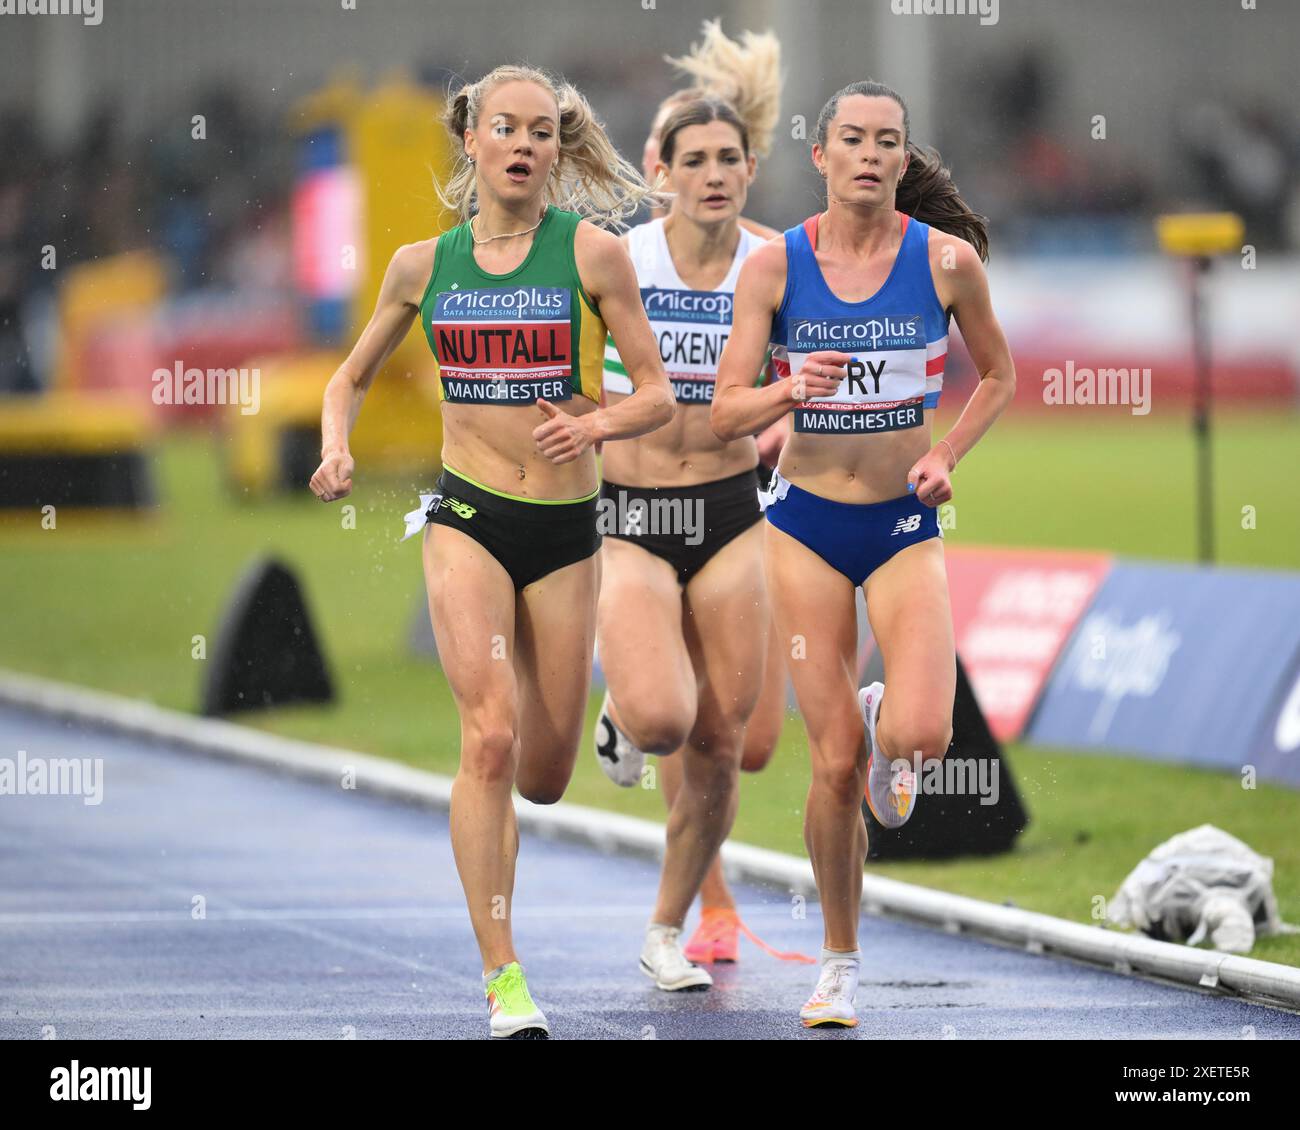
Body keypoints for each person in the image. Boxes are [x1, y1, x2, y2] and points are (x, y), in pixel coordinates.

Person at [310, 65, 675, 1039]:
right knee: (489, 737)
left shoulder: (593, 257)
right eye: (504, 128)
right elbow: (345, 378)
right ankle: (501, 975)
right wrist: (335, 444)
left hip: (563, 533)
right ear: (469, 140)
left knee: (545, 774)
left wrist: (595, 429)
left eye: (542, 130)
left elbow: (654, 392)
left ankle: (606, 723)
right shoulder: (419, 267)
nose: (523, 144)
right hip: (465, 514)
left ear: (557, 148)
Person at [711, 80, 1016, 1028]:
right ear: (822, 155)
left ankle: (889, 716)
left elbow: (1001, 374)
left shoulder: (947, 262)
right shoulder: (773, 269)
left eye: (889, 141)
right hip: (803, 524)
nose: (871, 156)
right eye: (854, 139)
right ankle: (839, 961)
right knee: (835, 763)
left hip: (899, 526)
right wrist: (786, 388)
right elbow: (724, 409)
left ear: (902, 157)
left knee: (921, 738)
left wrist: (946, 453)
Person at [596, 18, 798, 972]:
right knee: (666, 717)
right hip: (632, 518)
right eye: (696, 160)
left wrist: (789, 420)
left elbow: (802, 378)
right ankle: (625, 711)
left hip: (730, 513)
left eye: (730, 159)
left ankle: (668, 928)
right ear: (660, 170)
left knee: (736, 744)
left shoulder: (779, 265)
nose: (714, 174)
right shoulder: (617, 262)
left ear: (749, 171)